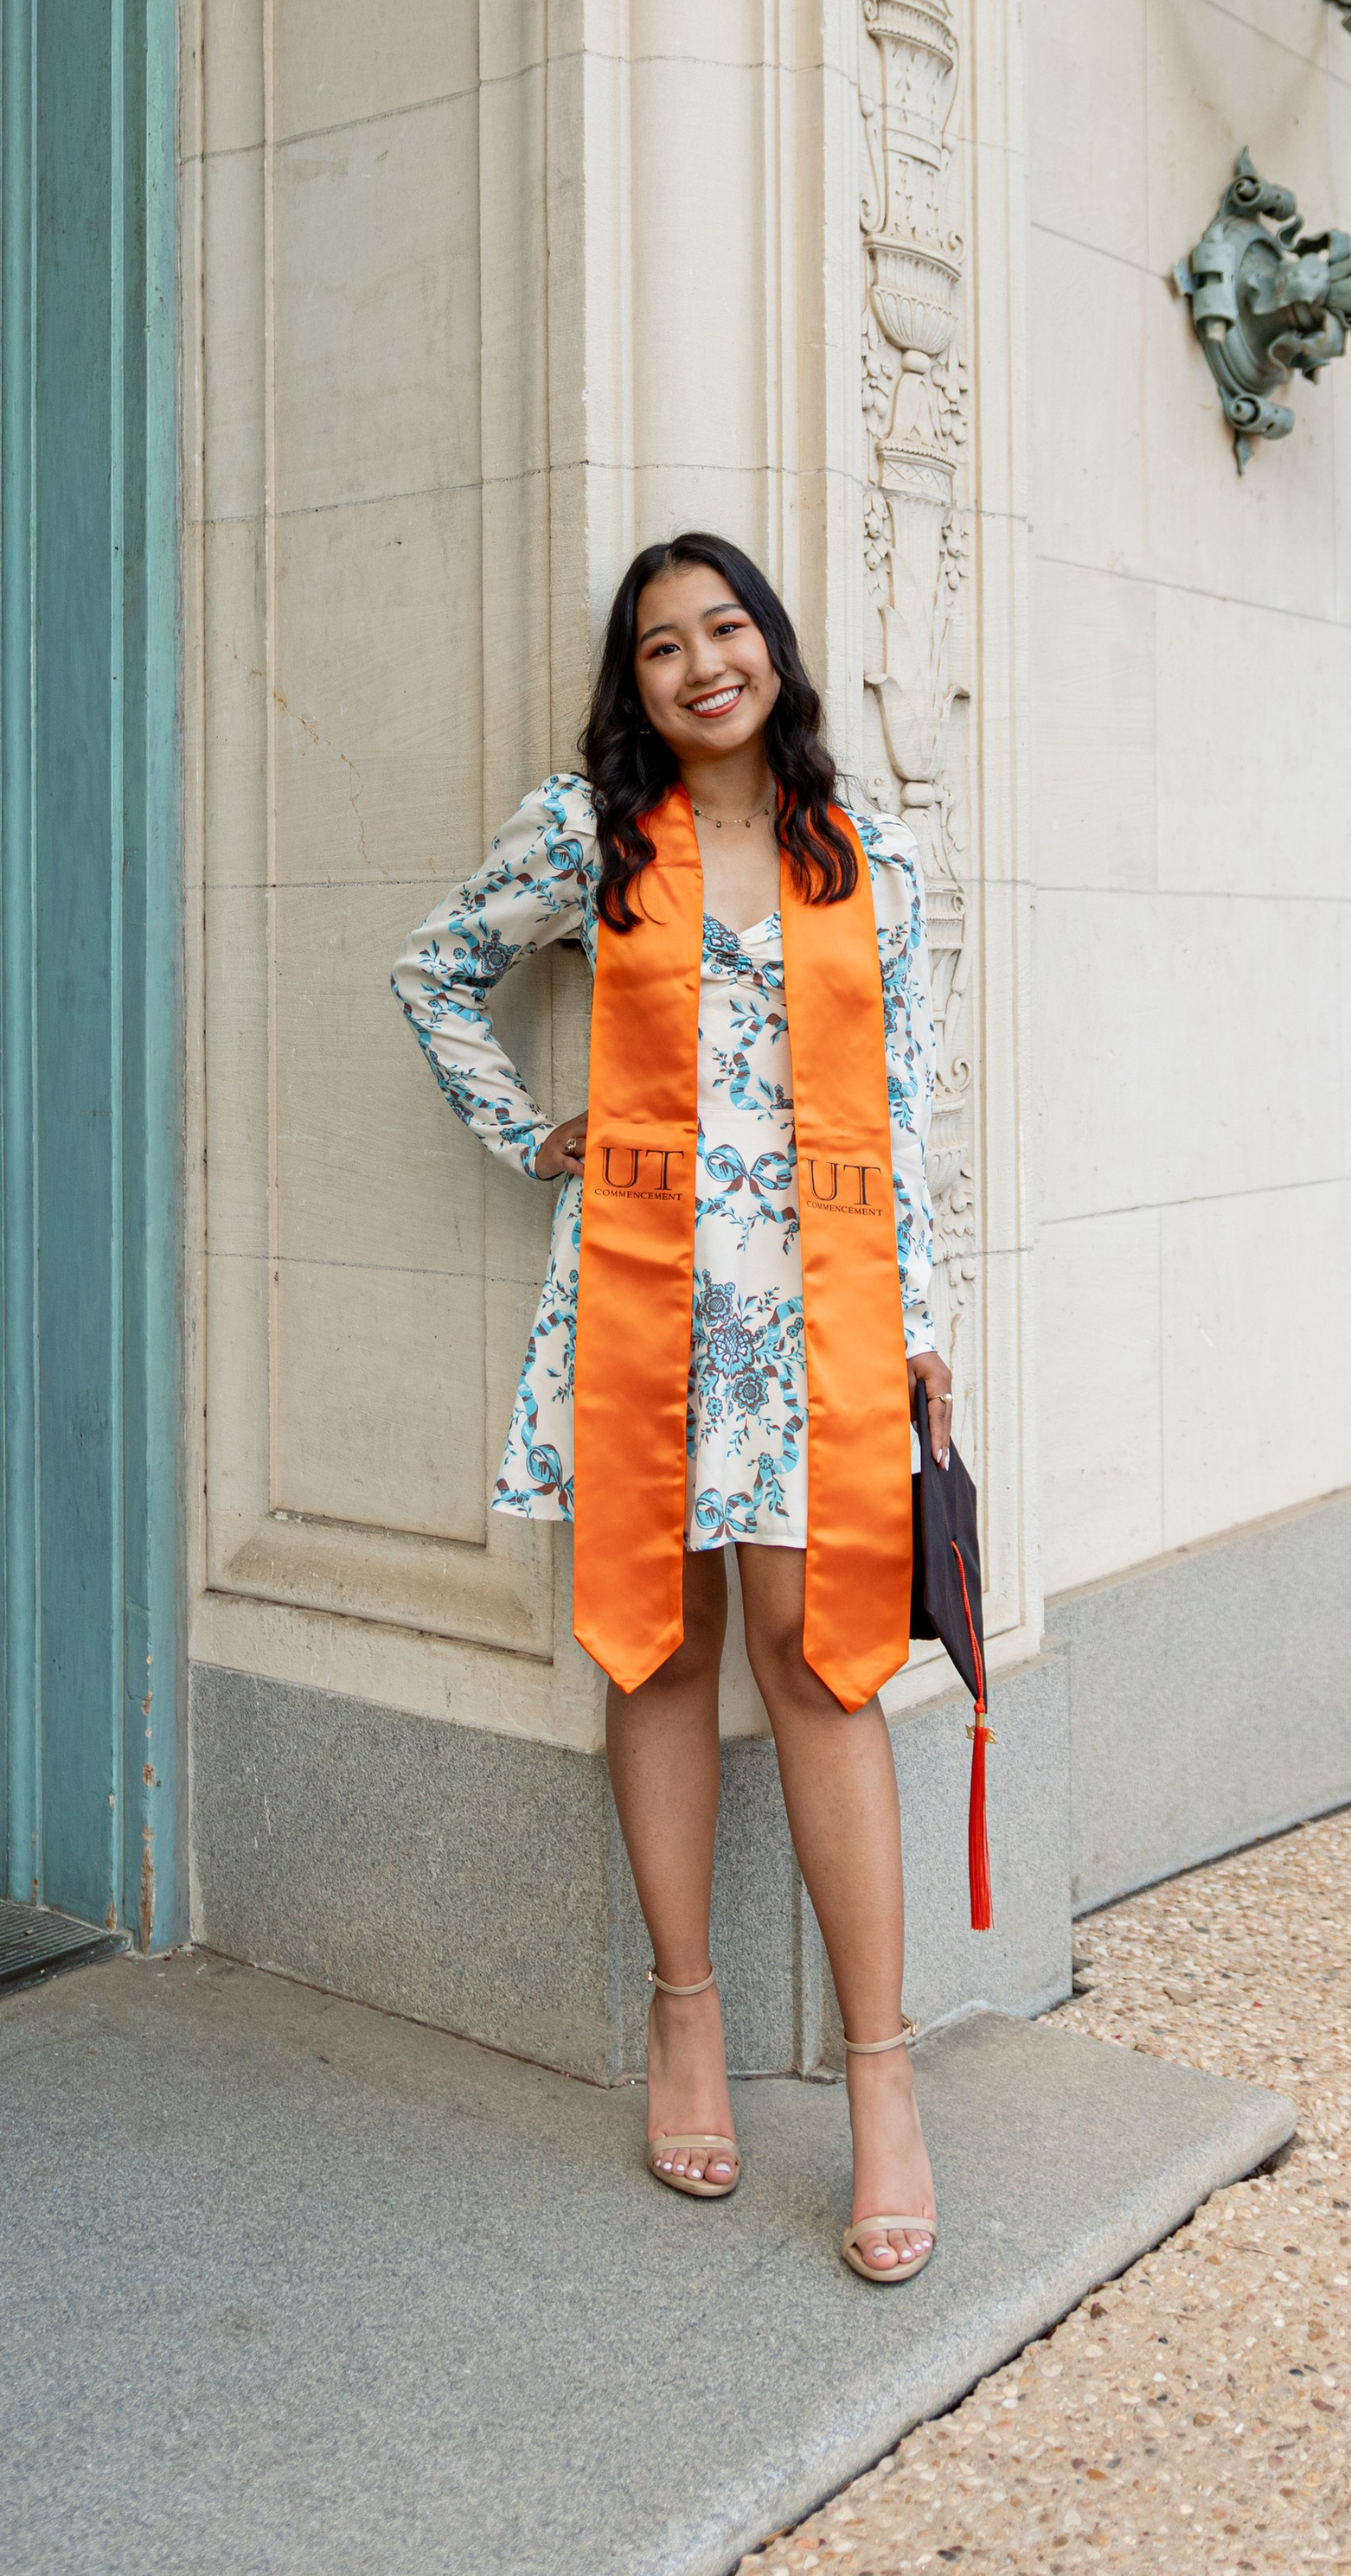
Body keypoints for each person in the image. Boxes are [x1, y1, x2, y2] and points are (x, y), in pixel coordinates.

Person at [393, 533, 952, 2283]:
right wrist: (525, 1128)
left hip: (817, 1307)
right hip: (638, 1291)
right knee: (656, 1649)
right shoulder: (582, 836)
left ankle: (880, 2088)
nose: (702, 663)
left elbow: (912, 1103)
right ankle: (686, 2016)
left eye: (726, 629)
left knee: (816, 1653)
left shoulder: (874, 861)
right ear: (630, 685)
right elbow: (433, 975)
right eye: (660, 647)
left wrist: (923, 1319)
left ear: (773, 648)